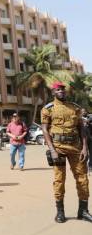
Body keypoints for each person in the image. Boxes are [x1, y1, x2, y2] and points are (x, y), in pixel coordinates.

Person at [41, 81, 92, 223]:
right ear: (53, 92)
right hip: (58, 148)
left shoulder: (75, 108)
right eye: (58, 90)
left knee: (82, 179)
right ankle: (60, 212)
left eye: (63, 90)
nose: (61, 92)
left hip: (75, 147)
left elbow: (82, 128)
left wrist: (85, 147)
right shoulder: (48, 109)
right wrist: (52, 150)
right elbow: (45, 129)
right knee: (59, 180)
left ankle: (83, 211)